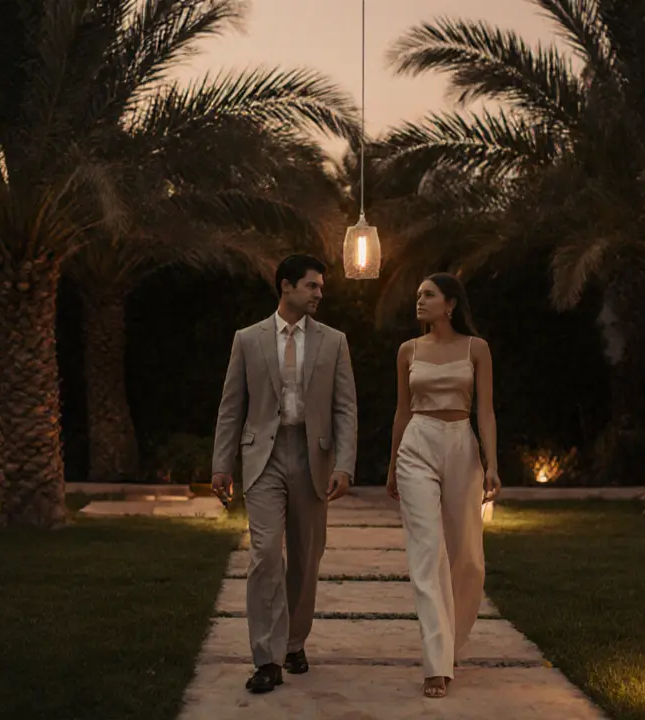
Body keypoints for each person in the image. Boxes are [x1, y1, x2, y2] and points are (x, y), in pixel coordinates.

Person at [211, 254, 358, 694]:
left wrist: (345, 464)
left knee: (306, 558)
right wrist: (221, 464)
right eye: (312, 285)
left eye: (321, 287)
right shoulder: (247, 339)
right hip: (263, 458)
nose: (319, 294)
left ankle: (294, 642)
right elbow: (231, 406)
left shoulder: (335, 342)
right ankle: (266, 658)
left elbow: (345, 409)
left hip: (313, 459)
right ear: (286, 286)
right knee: (265, 555)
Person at [386, 272, 501, 699]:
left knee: (468, 557)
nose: (419, 300)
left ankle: (450, 643)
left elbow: (485, 412)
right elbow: (402, 411)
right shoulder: (408, 350)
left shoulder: (476, 348)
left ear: (450, 303)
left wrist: (491, 463)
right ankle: (436, 663)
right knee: (426, 551)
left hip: (461, 446)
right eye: (418, 294)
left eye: (429, 294)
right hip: (417, 444)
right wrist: (392, 465)